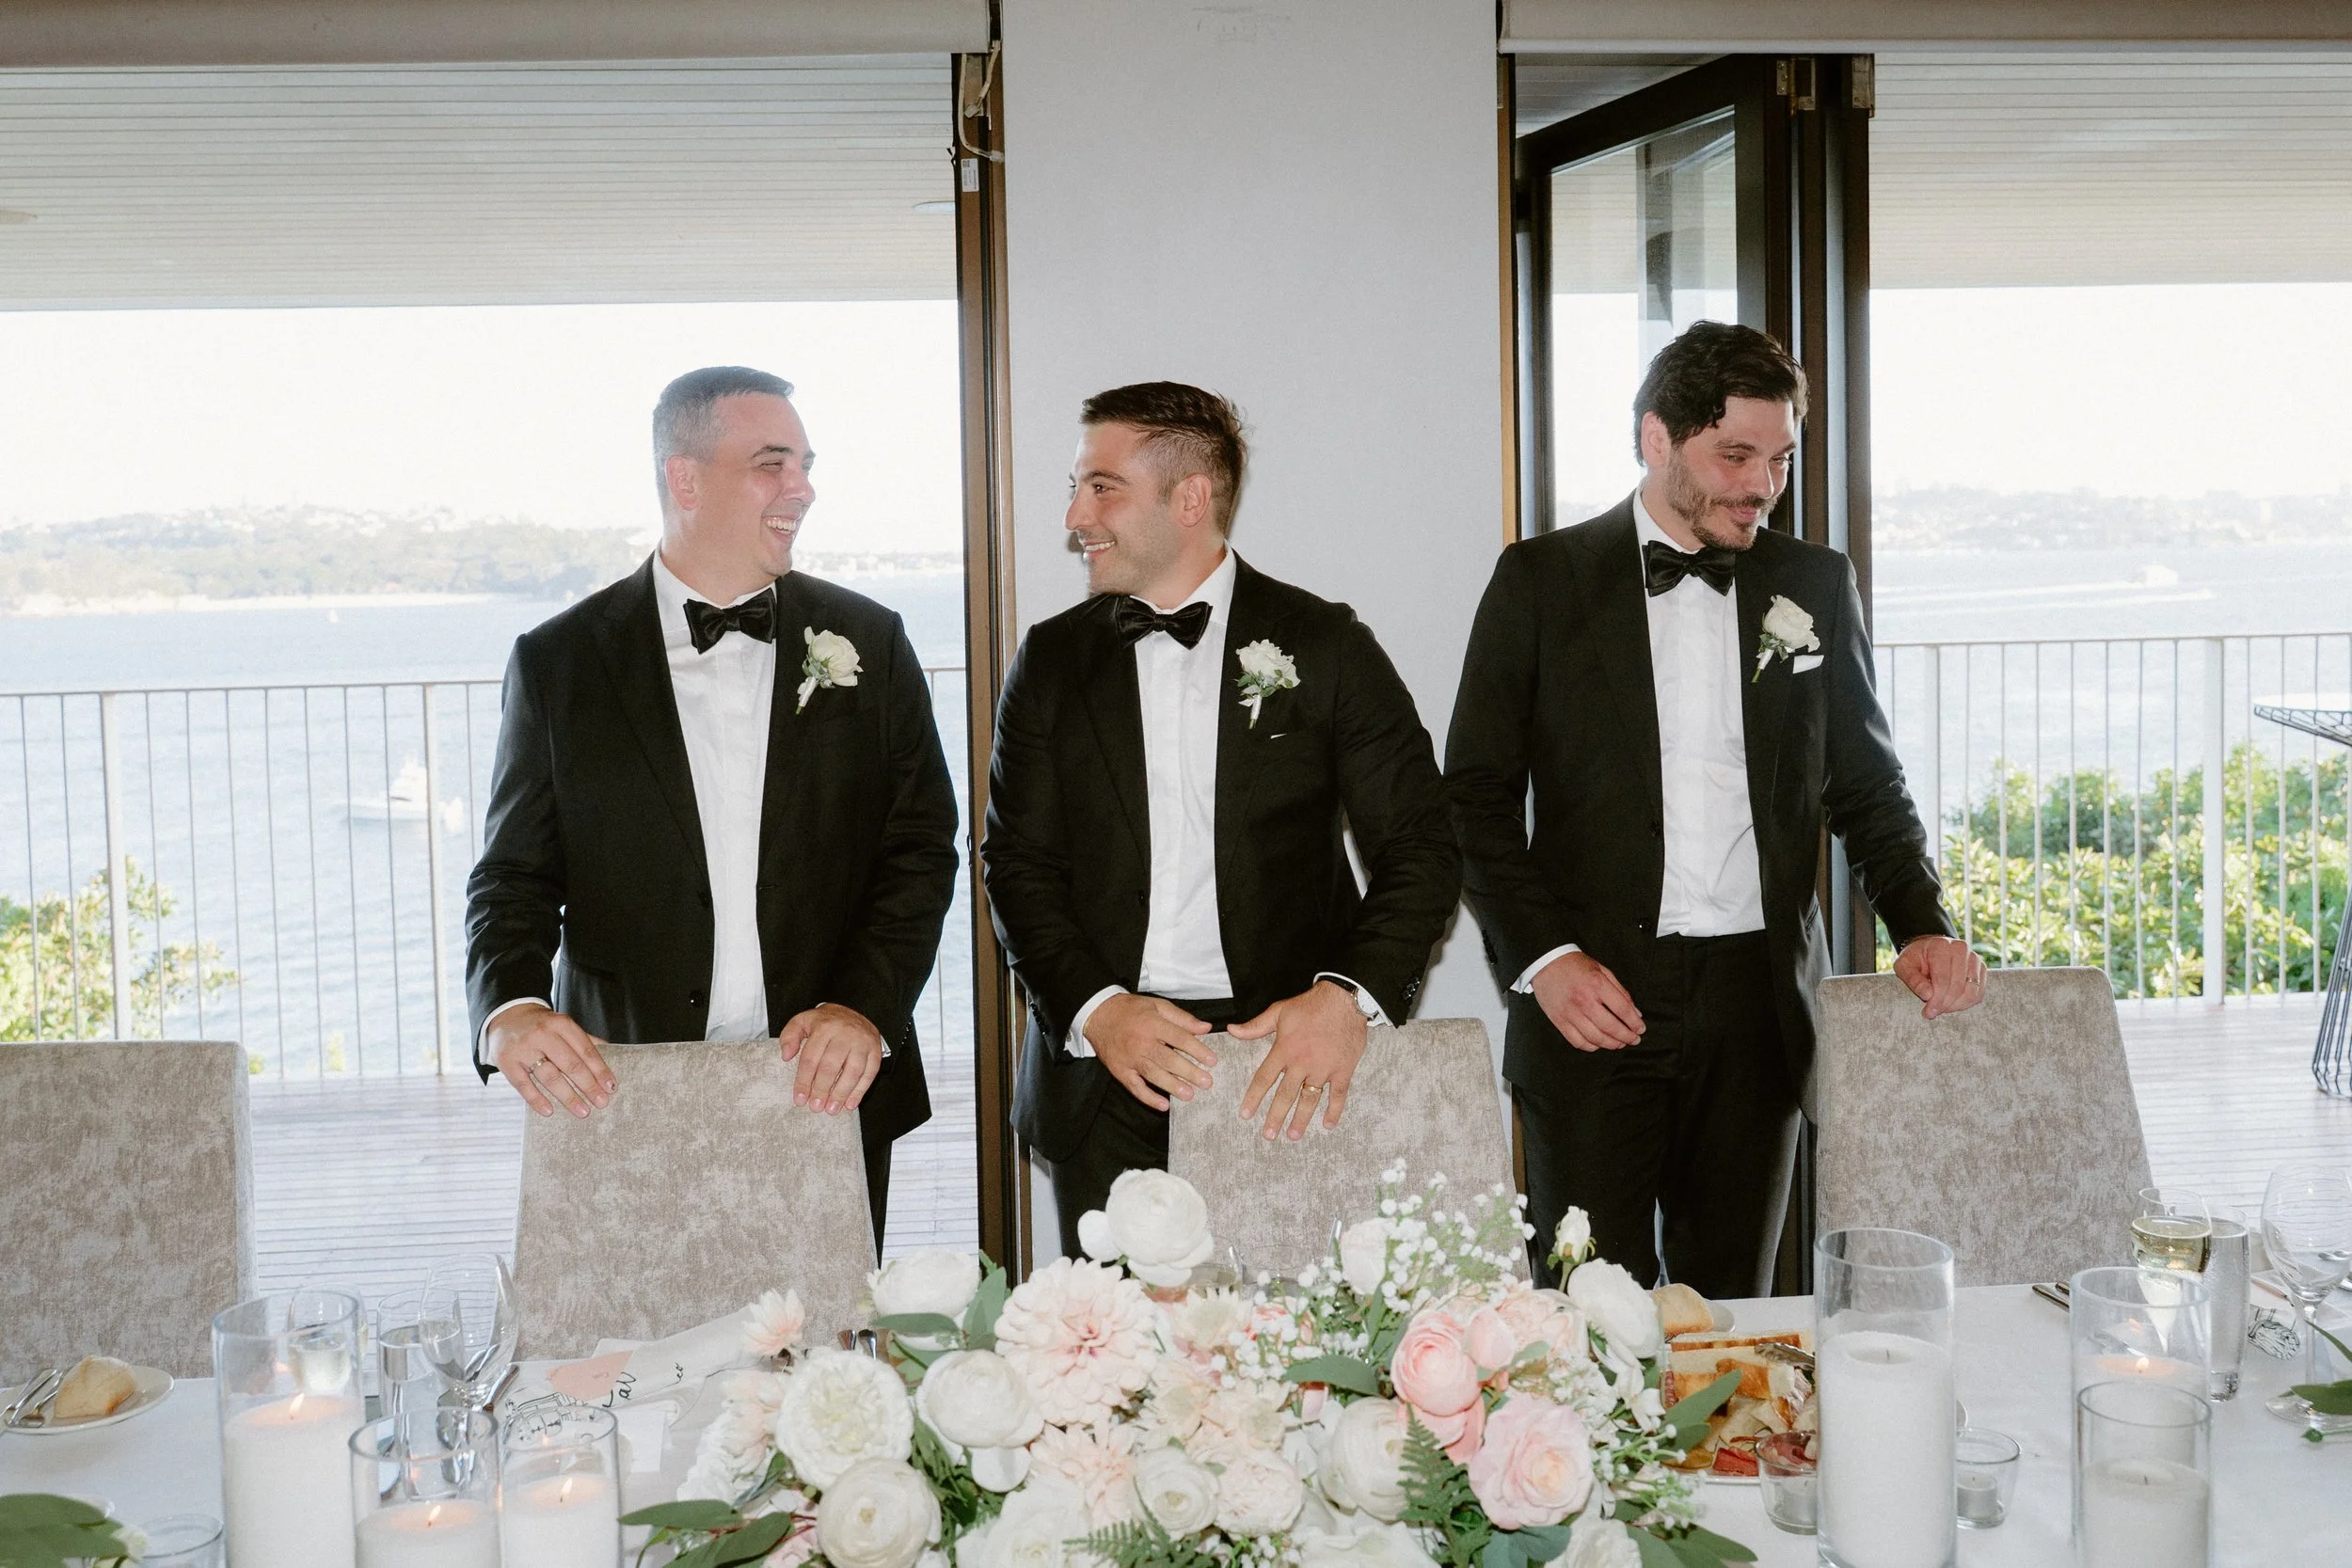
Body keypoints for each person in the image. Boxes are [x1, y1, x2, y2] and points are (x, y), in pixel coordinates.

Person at [1445, 323, 1983, 1296]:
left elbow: (1863, 781)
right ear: (1658, 440)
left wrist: (1921, 921)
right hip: (1592, 1000)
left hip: (1755, 1003)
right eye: (1734, 455)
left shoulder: (1813, 582)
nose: (1761, 484)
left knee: (1736, 1316)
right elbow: (1474, 800)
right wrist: (1545, 959)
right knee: (1587, 1311)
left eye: (1778, 459)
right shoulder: (1540, 581)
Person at [464, 365, 959, 1249]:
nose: (802, 489)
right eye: (773, 463)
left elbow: (921, 847)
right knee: (638, 1363)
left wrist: (864, 1005)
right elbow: (513, 876)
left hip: (822, 1082)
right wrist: (510, 1007)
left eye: (805, 464)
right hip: (628, 1090)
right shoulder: (559, 662)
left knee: (822, 1372)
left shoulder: (870, 641)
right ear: (683, 479)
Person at [981, 381, 1460, 1256]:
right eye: (1077, 486)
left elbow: (1423, 845)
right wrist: (1097, 1009)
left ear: (1190, 498)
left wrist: (1346, 997)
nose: (1075, 513)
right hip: (1106, 1073)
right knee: (1114, 1364)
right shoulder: (1050, 660)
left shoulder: (1324, 643)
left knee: (1288, 1365)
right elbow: (1015, 863)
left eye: (1102, 486)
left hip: (1280, 1067)